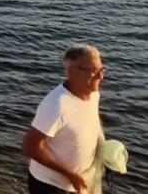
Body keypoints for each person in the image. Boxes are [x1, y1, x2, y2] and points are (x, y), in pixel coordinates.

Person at [21, 44, 106, 193]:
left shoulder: (93, 94)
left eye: (101, 69)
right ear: (72, 72)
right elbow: (30, 147)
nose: (100, 76)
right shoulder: (56, 106)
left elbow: (90, 123)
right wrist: (70, 175)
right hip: (51, 186)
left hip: (79, 183)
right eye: (93, 71)